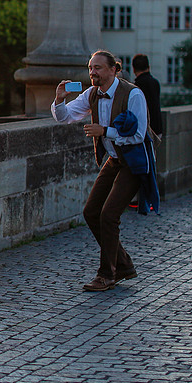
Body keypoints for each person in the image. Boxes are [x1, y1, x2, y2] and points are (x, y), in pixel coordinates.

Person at [52, 50, 148, 291]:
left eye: (98, 68)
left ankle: (107, 274)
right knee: (91, 212)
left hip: (133, 161)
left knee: (108, 215)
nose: (93, 72)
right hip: (114, 160)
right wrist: (59, 100)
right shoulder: (92, 94)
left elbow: (139, 135)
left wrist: (105, 131)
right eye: (90, 68)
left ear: (113, 70)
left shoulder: (133, 94)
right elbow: (65, 117)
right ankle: (123, 264)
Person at [131, 54, 163, 142]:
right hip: (157, 128)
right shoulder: (155, 82)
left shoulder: (135, 86)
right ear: (148, 67)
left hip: (144, 130)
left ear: (133, 69)